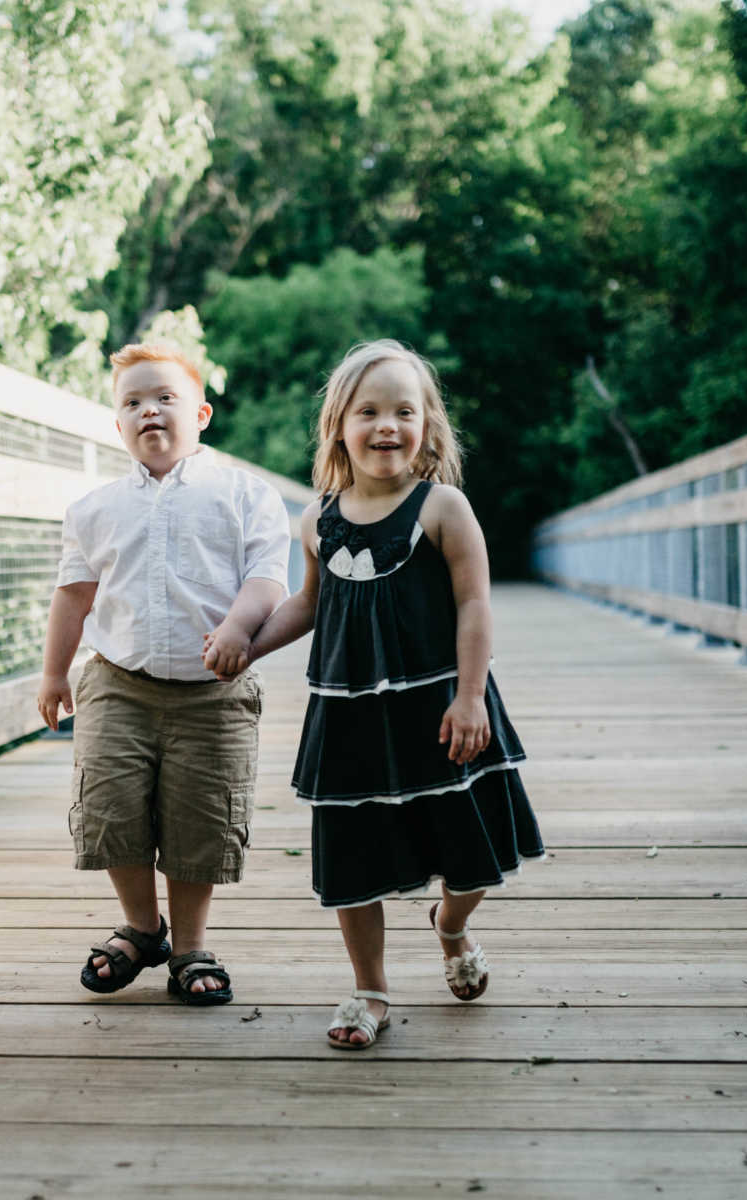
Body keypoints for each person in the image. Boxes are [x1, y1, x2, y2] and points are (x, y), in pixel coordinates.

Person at [212, 339, 543, 1049]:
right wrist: (246, 646)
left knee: (473, 849)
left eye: (404, 411)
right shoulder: (317, 518)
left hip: (443, 709)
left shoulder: (442, 508)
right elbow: (310, 603)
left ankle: (451, 925)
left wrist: (472, 696)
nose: (386, 425)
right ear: (339, 426)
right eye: (369, 411)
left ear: (428, 426)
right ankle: (370, 988)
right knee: (353, 854)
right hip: (350, 716)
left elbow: (476, 605)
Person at [37, 343, 290, 1006]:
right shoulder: (94, 508)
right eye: (132, 403)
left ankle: (190, 945)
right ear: (117, 426)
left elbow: (268, 577)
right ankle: (143, 927)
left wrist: (238, 627)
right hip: (117, 683)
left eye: (165, 398)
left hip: (214, 692)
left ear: (201, 414)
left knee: (198, 819)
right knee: (111, 810)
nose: (149, 410)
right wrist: (54, 674)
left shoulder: (244, 494)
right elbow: (73, 594)